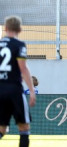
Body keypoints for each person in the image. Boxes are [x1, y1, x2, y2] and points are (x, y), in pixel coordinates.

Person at [0, 16, 37, 146]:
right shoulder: (19, 45)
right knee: (24, 127)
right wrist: (31, 91)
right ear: (20, 29)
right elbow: (23, 68)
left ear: (5, 28)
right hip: (14, 89)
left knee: (2, 128)